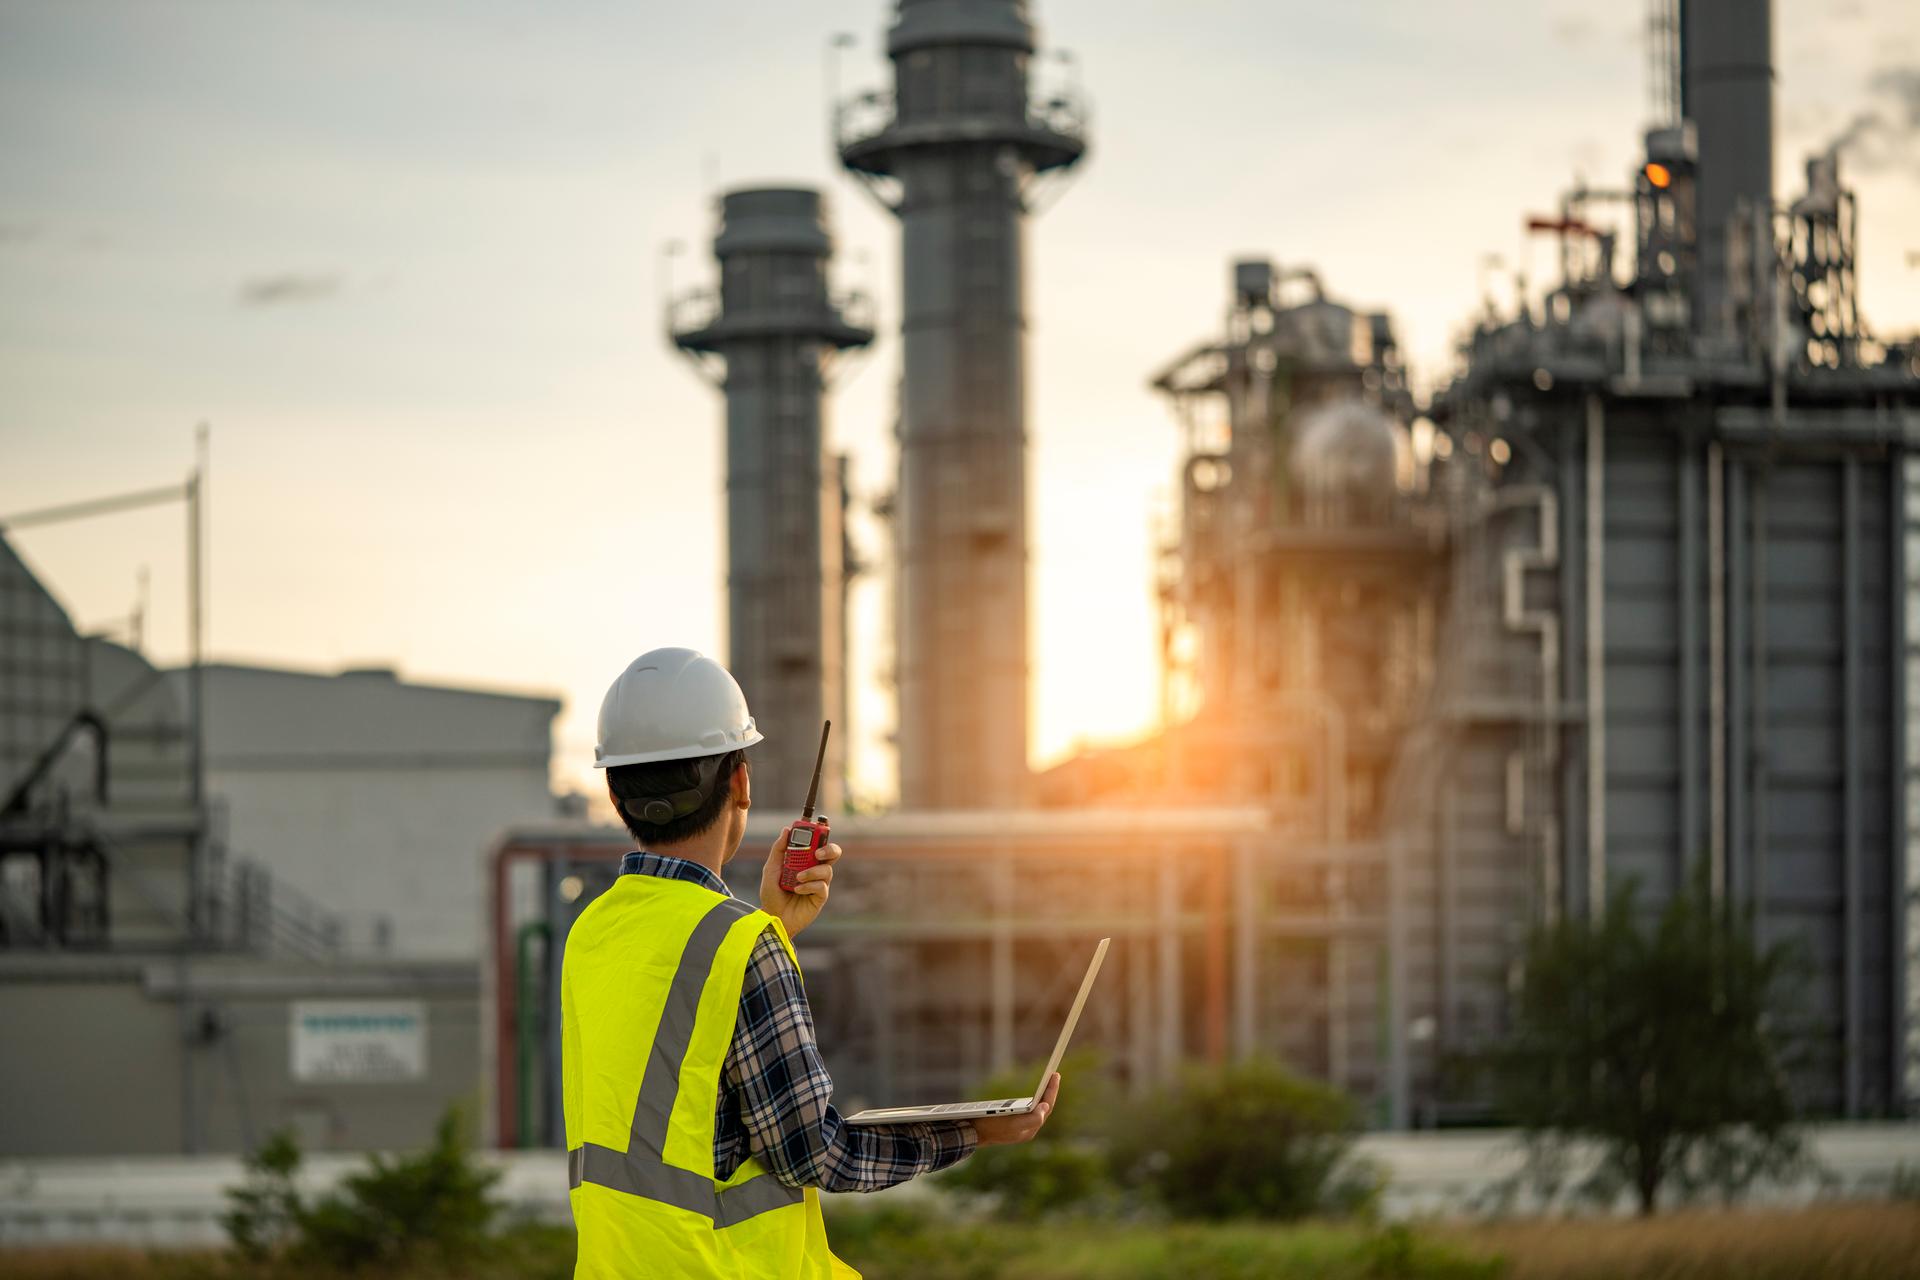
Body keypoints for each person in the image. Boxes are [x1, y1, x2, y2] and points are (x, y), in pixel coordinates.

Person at [564, 648, 1059, 1279]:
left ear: (613, 791)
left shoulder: (593, 933)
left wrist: (774, 928)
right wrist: (976, 1132)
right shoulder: (738, 945)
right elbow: (817, 1155)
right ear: (741, 782)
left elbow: (690, 1107)